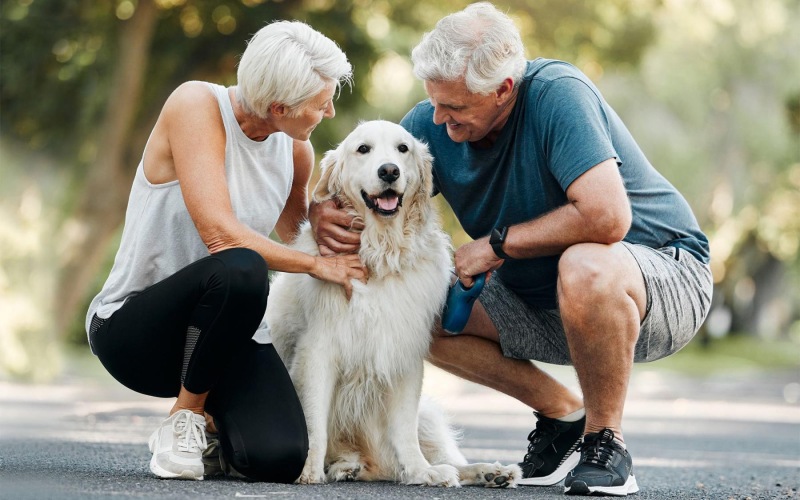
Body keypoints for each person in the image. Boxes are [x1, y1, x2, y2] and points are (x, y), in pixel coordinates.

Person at [310, 2, 712, 496]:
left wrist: (496, 245)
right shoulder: (434, 119)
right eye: (434, 102)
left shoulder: (557, 95)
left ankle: (606, 442)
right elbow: (367, 173)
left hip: (659, 282)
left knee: (585, 263)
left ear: (503, 90)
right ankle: (563, 413)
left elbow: (608, 217)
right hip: (545, 298)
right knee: (421, 313)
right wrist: (319, 210)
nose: (438, 119)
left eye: (454, 107)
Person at [85, 21, 366, 482]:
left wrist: (318, 218)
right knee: (241, 267)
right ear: (279, 107)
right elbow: (221, 234)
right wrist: (319, 265)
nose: (331, 112)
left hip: (223, 339)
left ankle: (218, 431)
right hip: (137, 334)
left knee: (279, 459)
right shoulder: (195, 104)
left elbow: (294, 231)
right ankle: (185, 419)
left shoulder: (296, 151)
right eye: (321, 103)